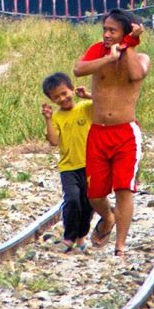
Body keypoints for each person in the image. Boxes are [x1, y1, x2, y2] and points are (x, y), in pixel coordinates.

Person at [72, 8, 150, 259]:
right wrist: (108, 58)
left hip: (125, 133)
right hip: (98, 133)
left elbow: (135, 74)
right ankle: (108, 217)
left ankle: (120, 246)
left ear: (126, 33)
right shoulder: (98, 51)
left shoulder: (141, 58)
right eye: (104, 29)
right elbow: (78, 69)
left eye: (112, 31)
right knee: (95, 194)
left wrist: (129, 46)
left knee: (123, 188)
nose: (106, 35)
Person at [41, 72, 94, 253]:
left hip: (90, 165)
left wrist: (87, 95)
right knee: (72, 199)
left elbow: (105, 104)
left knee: (88, 203)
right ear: (52, 100)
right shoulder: (56, 117)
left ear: (72, 89)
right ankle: (69, 237)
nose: (62, 99)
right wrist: (48, 119)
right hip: (68, 167)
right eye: (57, 97)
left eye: (64, 93)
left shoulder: (85, 107)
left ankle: (81, 236)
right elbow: (53, 141)